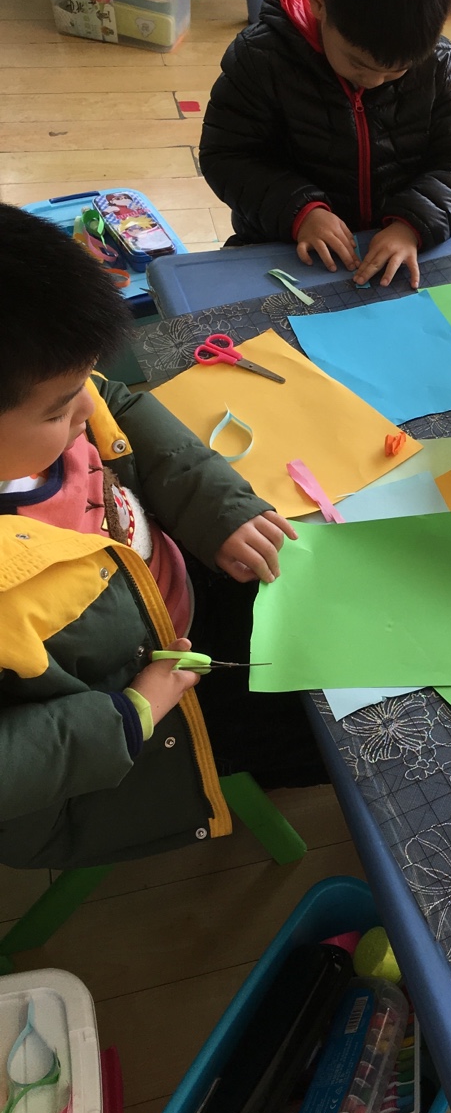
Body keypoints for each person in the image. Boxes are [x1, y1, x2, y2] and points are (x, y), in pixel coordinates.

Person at [0, 206, 322, 872]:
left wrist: (216, 508)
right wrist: (131, 713)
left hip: (158, 607)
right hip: (119, 750)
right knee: (320, 736)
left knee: (317, 631)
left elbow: (119, 404)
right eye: (60, 409)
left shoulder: (46, 399)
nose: (88, 407)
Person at [199, 0, 451, 289]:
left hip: (403, 247)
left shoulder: (437, 62)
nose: (375, 81)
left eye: (397, 71)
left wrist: (412, 223)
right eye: (359, 64)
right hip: (284, 246)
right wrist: (301, 212)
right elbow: (227, 156)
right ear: (319, 5)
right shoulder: (261, 58)